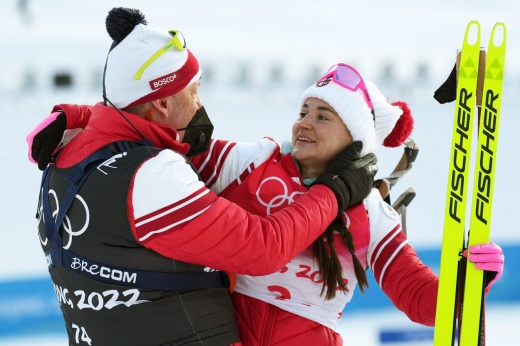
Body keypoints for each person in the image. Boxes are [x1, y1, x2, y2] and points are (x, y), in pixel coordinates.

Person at [29, 63, 505, 345]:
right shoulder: (251, 161)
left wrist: (469, 284)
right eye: (302, 111)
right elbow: (158, 135)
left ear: (354, 137)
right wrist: (82, 118)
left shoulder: (371, 214)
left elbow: (420, 300)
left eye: (323, 116)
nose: (303, 124)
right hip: (225, 328)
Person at [26, 8, 378, 346]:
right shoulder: (151, 175)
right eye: (192, 93)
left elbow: (120, 112)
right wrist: (334, 190)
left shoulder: (68, 152)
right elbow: (263, 248)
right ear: (162, 104)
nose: (199, 106)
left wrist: (80, 114)